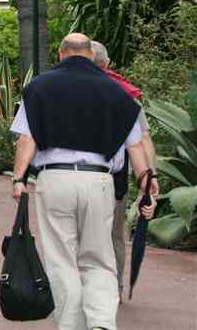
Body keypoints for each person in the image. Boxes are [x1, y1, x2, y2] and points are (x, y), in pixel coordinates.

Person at [10, 33, 157, 330]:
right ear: (91, 55)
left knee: (61, 258)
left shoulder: (39, 87)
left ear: (62, 54)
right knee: (99, 257)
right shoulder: (117, 92)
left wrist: (18, 178)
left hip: (54, 179)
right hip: (99, 182)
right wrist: (147, 181)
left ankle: (70, 325)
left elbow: (28, 139)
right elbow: (137, 145)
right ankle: (101, 323)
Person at [91, 41, 159, 298]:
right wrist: (150, 176)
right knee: (115, 235)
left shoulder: (68, 89)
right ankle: (114, 287)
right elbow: (143, 140)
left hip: (74, 174)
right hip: (114, 176)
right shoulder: (125, 93)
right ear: (106, 64)